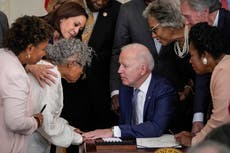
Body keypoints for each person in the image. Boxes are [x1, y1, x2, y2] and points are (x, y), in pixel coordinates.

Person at [82, 43, 178, 139]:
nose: (119, 70)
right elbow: (125, 126)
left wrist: (113, 131)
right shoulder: (125, 88)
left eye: (125, 66)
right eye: (120, 65)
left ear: (142, 69)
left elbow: (156, 128)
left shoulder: (164, 90)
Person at [26, 38, 93, 153]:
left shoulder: (43, 67)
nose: (82, 72)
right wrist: (78, 138)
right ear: (71, 64)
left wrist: (70, 129)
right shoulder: (50, 74)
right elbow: (46, 124)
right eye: (82, 67)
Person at [0, 15, 53, 153]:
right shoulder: (16, 74)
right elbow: (15, 122)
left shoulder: (3, 55)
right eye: (43, 48)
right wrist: (36, 121)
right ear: (29, 48)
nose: (44, 53)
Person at [143, 0, 195, 131]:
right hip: (184, 113)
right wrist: (188, 87)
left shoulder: (197, 35)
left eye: (155, 30)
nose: (153, 36)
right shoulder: (170, 47)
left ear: (169, 23)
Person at [175, 22, 230, 146]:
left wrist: (194, 141)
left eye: (192, 55)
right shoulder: (223, 66)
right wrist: (198, 136)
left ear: (204, 55)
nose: (190, 61)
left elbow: (221, 121)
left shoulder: (224, 72)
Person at [110, 0, 159, 114]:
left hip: (174, 89)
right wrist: (116, 91)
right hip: (138, 89)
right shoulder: (128, 10)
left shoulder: (175, 4)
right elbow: (119, 51)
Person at [25, 1, 88, 87]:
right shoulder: (34, 26)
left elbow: (75, 72)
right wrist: (29, 67)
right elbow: (14, 56)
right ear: (62, 18)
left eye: (80, 29)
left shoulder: (75, 39)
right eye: (75, 24)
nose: (76, 31)